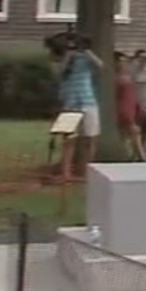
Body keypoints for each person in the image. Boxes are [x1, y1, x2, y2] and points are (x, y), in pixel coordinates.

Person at [49, 31, 101, 180]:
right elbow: (58, 73)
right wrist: (68, 57)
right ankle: (66, 173)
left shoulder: (84, 58)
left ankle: (88, 171)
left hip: (88, 101)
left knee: (90, 138)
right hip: (70, 104)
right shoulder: (58, 61)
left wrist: (86, 51)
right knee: (69, 139)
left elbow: (100, 65)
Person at [113, 53, 146, 162]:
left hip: (132, 106)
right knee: (134, 132)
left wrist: (139, 106)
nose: (123, 64)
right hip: (123, 107)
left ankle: (130, 156)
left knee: (128, 134)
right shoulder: (115, 77)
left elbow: (134, 93)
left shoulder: (128, 75)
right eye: (120, 61)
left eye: (124, 61)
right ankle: (141, 157)